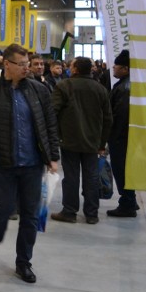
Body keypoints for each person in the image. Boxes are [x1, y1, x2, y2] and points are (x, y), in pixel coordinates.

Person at [0, 43, 60, 285]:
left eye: (27, 64)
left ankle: (23, 262)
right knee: (2, 209)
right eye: (21, 65)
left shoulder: (39, 90)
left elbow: (50, 124)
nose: (27, 68)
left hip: (33, 164)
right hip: (5, 163)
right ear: (7, 65)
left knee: (30, 215)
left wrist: (53, 156)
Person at [50, 57, 112, 225]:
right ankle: (92, 214)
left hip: (69, 140)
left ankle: (69, 211)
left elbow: (52, 112)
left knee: (71, 177)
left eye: (71, 66)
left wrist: (54, 136)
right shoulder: (100, 89)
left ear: (75, 69)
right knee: (91, 177)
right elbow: (108, 119)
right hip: (93, 142)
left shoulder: (63, 86)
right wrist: (102, 143)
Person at [106, 50, 138, 217]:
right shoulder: (126, 84)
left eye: (116, 66)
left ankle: (127, 204)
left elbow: (120, 117)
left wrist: (112, 138)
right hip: (126, 137)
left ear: (125, 68)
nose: (113, 68)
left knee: (121, 170)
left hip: (121, 139)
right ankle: (130, 199)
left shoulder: (125, 88)